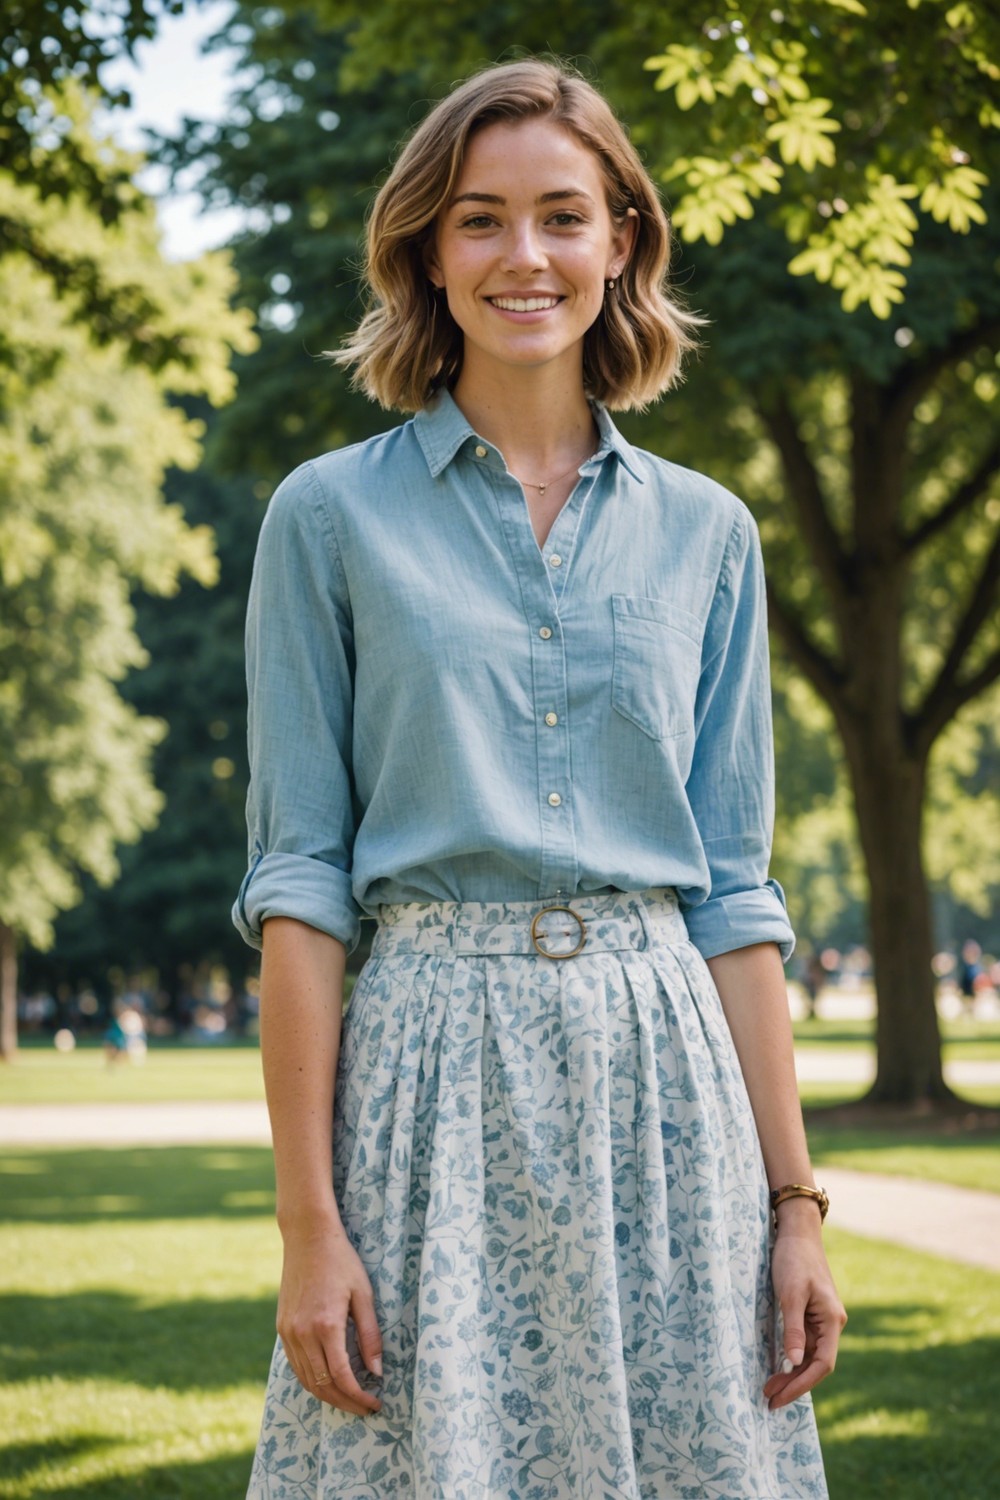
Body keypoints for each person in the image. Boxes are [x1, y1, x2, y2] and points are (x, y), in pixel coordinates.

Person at [233, 58, 846, 1500]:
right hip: (428, 1082)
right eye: (480, 221)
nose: (525, 257)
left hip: (665, 1087)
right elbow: (302, 888)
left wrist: (797, 1207)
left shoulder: (711, 535)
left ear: (619, 240)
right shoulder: (325, 518)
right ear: (428, 256)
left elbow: (737, 893)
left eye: (563, 216)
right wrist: (308, 1226)